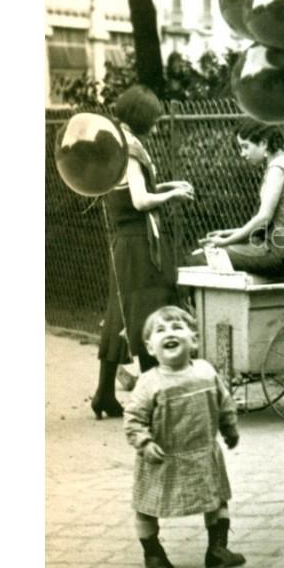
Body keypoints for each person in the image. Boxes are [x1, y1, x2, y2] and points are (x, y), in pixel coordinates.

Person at [93, 85, 194, 420]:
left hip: (125, 240)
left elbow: (133, 192)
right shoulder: (132, 150)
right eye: (153, 117)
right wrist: (172, 197)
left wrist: (169, 186)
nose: (157, 122)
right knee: (147, 309)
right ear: (141, 117)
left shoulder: (115, 143)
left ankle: (105, 394)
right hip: (137, 241)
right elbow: (140, 201)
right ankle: (156, 396)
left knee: (122, 312)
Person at [124, 305, 245, 568]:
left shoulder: (205, 372)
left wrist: (230, 429)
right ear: (150, 347)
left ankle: (217, 549)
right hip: (161, 458)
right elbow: (133, 418)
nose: (170, 333)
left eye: (178, 328)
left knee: (216, 499)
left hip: (203, 455)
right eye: (161, 330)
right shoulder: (149, 382)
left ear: (194, 340)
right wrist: (144, 442)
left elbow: (224, 402)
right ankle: (153, 552)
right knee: (147, 506)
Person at [200, 119, 284, 278]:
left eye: (245, 147)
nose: (242, 153)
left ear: (263, 143)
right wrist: (226, 234)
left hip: (282, 256)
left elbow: (263, 219)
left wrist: (225, 242)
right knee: (216, 252)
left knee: (199, 258)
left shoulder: (277, 169)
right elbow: (268, 224)